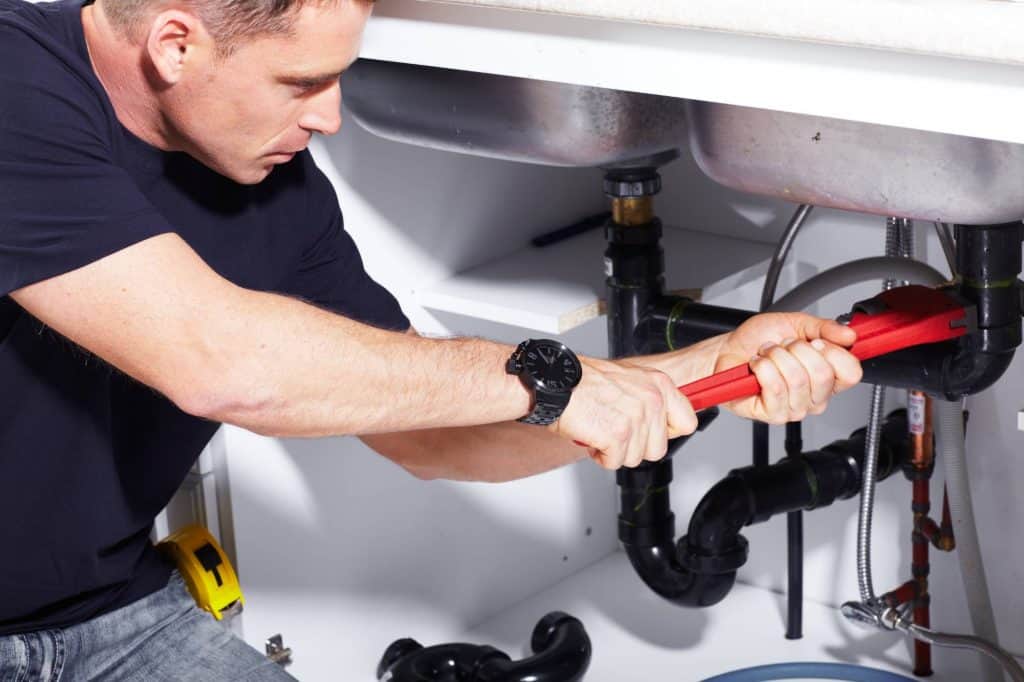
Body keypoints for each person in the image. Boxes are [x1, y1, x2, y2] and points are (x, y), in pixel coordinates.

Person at [0, 0, 863, 677]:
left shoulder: (278, 190)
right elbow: (220, 362)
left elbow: (432, 436)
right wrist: (553, 382)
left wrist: (703, 369)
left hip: (113, 617)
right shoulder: (15, 76)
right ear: (175, 45)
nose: (330, 118)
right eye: (302, 83)